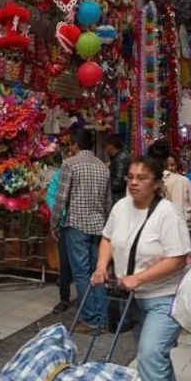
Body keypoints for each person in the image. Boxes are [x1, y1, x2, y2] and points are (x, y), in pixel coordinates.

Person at [92, 157, 191, 381]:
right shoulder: (121, 207)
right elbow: (107, 238)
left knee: (149, 354)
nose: (133, 182)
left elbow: (178, 258)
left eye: (141, 178)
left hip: (164, 297)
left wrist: (140, 278)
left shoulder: (168, 213)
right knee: (154, 357)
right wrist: (102, 267)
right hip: (132, 299)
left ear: (156, 183)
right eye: (130, 177)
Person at [52, 129, 112, 333]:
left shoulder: (69, 164)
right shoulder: (103, 168)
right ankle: (102, 319)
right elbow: (108, 202)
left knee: (81, 273)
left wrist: (54, 223)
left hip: (76, 225)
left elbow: (61, 199)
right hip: (99, 226)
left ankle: (90, 320)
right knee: (99, 272)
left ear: (76, 145)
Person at [46, 150, 74, 313]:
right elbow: (51, 195)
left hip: (82, 224)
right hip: (67, 224)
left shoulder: (91, 169)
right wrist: (60, 217)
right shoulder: (62, 171)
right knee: (65, 262)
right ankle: (64, 297)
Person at [147, 140, 191, 223]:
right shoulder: (178, 180)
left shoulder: (179, 180)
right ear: (165, 161)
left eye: (173, 164)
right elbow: (179, 212)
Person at [106, 133, 131, 205]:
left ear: (111, 146)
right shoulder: (118, 157)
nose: (105, 149)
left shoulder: (120, 159)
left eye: (106, 146)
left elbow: (117, 183)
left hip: (118, 199)